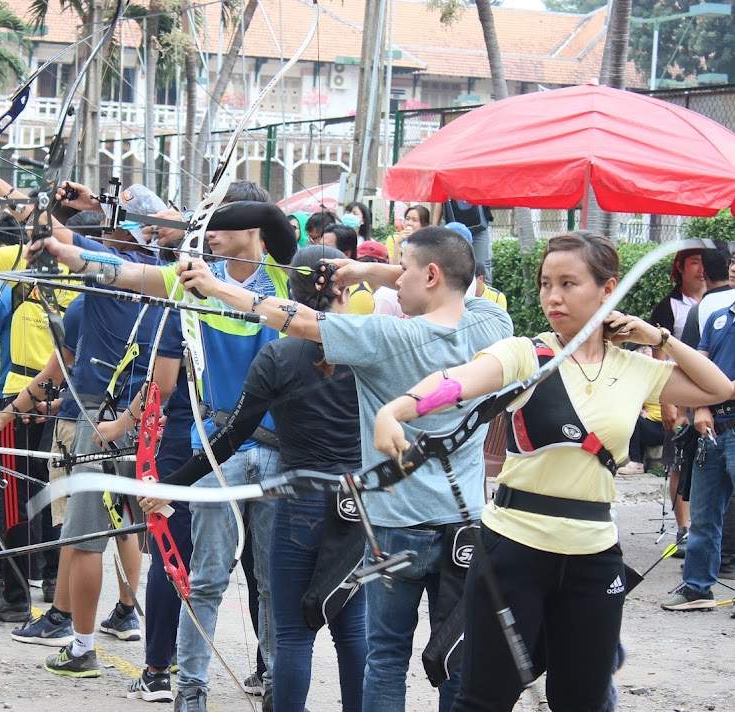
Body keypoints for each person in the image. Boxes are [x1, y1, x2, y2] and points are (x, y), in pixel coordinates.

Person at [371, 232, 729, 711]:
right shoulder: (524, 353)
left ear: (608, 290)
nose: (552, 297)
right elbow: (456, 383)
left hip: (593, 556)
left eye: (568, 283)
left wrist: (658, 337)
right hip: (512, 549)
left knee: (580, 700)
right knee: (484, 699)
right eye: (545, 284)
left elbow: (719, 388)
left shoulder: (638, 367)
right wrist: (398, 409)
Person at [175, 226, 513, 712]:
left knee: (385, 655)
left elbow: (292, 319)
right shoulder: (492, 323)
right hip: (462, 524)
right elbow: (449, 280)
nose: (395, 282)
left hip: (396, 527)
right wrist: (368, 270)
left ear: (431, 275)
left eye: (405, 269)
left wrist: (215, 286)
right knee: (454, 654)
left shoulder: (385, 336)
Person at [31, 180, 298, 711]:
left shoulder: (290, 281)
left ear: (251, 227)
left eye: (218, 224)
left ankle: (275, 685)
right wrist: (68, 250)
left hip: (275, 449)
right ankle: (189, 690)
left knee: (271, 581)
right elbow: (131, 273)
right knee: (205, 576)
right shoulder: (196, 279)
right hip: (216, 448)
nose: (206, 236)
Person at [143, 245, 367, 712]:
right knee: (351, 628)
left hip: (299, 502)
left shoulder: (281, 357)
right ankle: (196, 688)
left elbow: (228, 438)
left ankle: (233, 694)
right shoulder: (372, 346)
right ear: (342, 289)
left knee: (291, 630)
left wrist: (173, 483)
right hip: (355, 503)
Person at [662, 293, 735, 611]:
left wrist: (714, 398)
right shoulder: (718, 317)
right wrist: (702, 405)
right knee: (704, 515)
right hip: (713, 429)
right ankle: (697, 588)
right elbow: (698, 369)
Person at [651, 248, 707, 557]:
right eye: (693, 263)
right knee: (678, 462)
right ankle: (683, 528)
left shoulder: (719, 301)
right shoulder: (668, 307)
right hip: (678, 392)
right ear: (680, 268)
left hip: (712, 394)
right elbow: (658, 357)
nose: (699, 270)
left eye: (703, 263)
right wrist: (667, 402)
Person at [442, 199, 494, 281]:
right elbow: (440, 199)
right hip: (455, 228)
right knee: (454, 265)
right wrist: (435, 225)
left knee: (482, 266)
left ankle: (484, 291)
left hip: (479, 227)